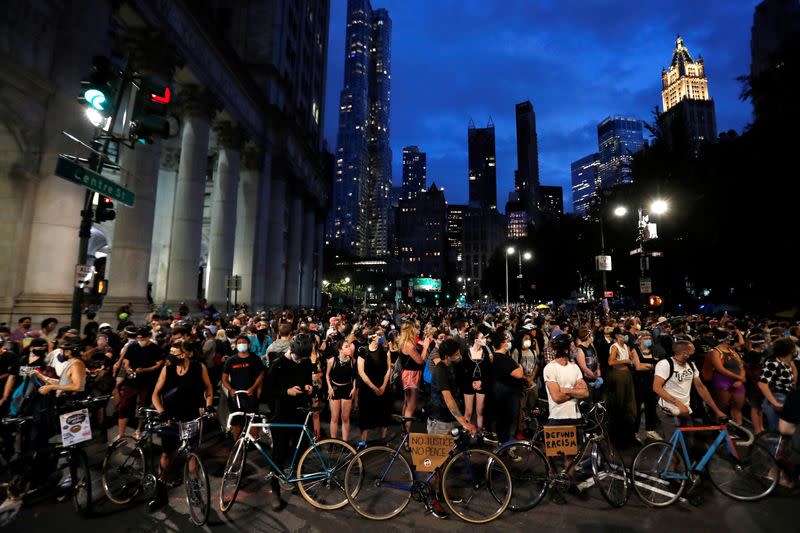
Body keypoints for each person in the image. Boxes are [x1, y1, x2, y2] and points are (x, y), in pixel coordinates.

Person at [149, 340, 214, 511]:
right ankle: (160, 493)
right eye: (170, 352)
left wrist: (209, 405)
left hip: (191, 417)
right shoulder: (167, 370)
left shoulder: (199, 368)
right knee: (166, 454)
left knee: (192, 454)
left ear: (185, 354)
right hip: (170, 419)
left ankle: (195, 492)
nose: (171, 356)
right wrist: (162, 412)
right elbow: (155, 395)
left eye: (174, 353)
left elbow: (208, 388)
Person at [266, 333, 314, 511]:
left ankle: (295, 477)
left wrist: (310, 387)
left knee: (302, 447)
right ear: (292, 350)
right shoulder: (278, 364)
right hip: (282, 413)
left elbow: (308, 379)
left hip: (301, 411)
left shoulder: (306, 362)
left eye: (304, 358)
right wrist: (286, 392)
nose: (301, 361)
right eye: (299, 357)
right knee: (279, 452)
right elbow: (268, 392)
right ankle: (275, 489)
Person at [542, 333, 589, 502]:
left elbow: (585, 392)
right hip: (557, 416)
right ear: (564, 348)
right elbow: (556, 397)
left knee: (571, 455)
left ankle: (569, 484)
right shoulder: (550, 368)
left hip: (574, 416)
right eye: (570, 345)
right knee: (553, 457)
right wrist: (574, 392)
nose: (573, 348)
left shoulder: (575, 367)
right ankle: (552, 486)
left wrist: (566, 390)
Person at [652, 340, 726, 443]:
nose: (695, 353)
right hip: (669, 410)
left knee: (688, 442)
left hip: (686, 410)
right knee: (675, 446)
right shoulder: (665, 364)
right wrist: (678, 404)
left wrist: (716, 410)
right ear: (684, 353)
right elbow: (656, 388)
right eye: (693, 351)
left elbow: (701, 388)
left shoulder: (691, 365)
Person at [115, 327, 165, 440]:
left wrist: (145, 370)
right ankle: (121, 434)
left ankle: (139, 430)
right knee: (123, 406)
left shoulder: (155, 348)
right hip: (132, 380)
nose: (140, 340)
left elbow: (159, 364)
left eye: (142, 338)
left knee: (143, 407)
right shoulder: (133, 346)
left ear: (148, 337)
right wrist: (127, 368)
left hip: (147, 381)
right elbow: (126, 360)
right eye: (138, 338)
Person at [222, 335, 264, 442]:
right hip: (235, 396)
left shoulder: (255, 359)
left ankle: (253, 442)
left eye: (244, 342)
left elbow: (261, 374)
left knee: (253, 419)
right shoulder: (231, 360)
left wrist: (253, 388)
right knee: (236, 422)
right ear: (235, 345)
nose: (241, 344)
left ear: (248, 344)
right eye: (239, 342)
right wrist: (231, 389)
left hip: (250, 395)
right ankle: (237, 443)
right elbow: (224, 378)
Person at [606, 327, 641, 446]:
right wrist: (625, 360)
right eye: (621, 334)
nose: (624, 336)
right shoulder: (615, 347)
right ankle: (617, 435)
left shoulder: (626, 346)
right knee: (620, 403)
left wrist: (630, 359)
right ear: (616, 336)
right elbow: (610, 362)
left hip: (626, 375)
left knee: (628, 403)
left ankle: (628, 433)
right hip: (618, 376)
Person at [357, 331, 392, 441]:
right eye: (379, 335)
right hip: (367, 389)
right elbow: (361, 372)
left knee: (384, 415)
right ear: (372, 338)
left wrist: (383, 386)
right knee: (365, 416)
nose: (382, 337)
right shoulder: (363, 351)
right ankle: (363, 442)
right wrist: (374, 388)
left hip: (383, 387)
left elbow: (388, 368)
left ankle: (382, 440)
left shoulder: (385, 350)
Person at [758, 338, 798, 432]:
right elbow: (762, 383)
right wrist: (774, 402)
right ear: (789, 350)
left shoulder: (783, 362)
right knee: (778, 433)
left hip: (785, 398)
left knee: (785, 434)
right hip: (777, 398)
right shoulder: (773, 363)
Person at [491, 331, 525, 444]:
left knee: (505, 421)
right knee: (506, 421)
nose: (509, 342)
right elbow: (519, 374)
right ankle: (505, 445)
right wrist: (520, 366)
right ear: (503, 343)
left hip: (505, 393)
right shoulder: (501, 358)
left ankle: (505, 443)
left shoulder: (501, 357)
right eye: (507, 341)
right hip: (507, 394)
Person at [708, 329, 747, 425]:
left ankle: (739, 429)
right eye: (730, 337)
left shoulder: (732, 349)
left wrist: (740, 379)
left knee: (738, 406)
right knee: (722, 407)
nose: (732, 339)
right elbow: (720, 369)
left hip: (737, 380)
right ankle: (720, 430)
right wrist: (739, 378)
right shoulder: (716, 351)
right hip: (722, 380)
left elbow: (741, 366)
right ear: (725, 339)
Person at [461, 325, 493, 431]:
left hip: (482, 383)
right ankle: (466, 432)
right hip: (468, 383)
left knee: (480, 410)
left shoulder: (486, 352)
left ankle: (480, 433)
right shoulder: (466, 352)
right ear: (476, 340)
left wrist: (481, 381)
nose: (485, 339)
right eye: (482, 337)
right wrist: (472, 382)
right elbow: (464, 371)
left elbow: (489, 371)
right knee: (468, 411)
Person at [327, 339, 356, 442]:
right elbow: (327, 375)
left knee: (345, 418)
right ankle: (333, 442)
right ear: (340, 350)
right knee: (334, 418)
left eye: (349, 346)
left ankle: (345, 443)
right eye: (346, 347)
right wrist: (329, 387)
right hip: (335, 389)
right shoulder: (332, 360)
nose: (349, 348)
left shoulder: (352, 361)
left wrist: (354, 388)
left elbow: (354, 376)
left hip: (347, 389)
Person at [398, 322, 426, 433]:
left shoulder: (404, 342)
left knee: (406, 403)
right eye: (415, 328)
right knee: (411, 407)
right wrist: (426, 347)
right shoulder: (409, 345)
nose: (417, 330)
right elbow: (420, 361)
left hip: (407, 374)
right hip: (411, 376)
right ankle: (406, 437)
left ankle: (404, 431)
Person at [633, 331, 660, 440]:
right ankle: (634, 431)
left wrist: (646, 365)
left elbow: (658, 364)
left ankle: (651, 430)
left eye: (649, 337)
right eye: (645, 337)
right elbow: (638, 367)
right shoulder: (635, 350)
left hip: (651, 381)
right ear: (640, 339)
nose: (648, 339)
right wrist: (651, 365)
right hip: (639, 381)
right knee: (638, 407)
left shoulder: (652, 350)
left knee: (651, 405)